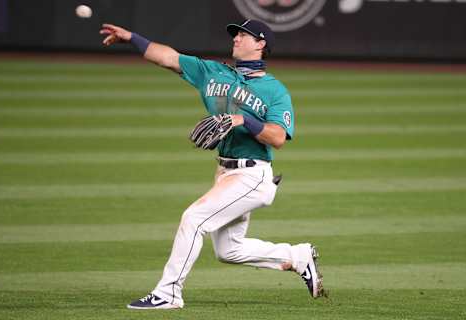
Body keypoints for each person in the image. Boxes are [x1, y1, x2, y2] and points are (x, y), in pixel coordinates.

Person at [100, 19, 324, 310]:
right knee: (229, 250)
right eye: (235, 34)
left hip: (252, 174)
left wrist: (244, 119)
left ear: (261, 43)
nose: (236, 39)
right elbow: (168, 58)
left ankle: (168, 293)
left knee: (193, 219)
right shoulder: (213, 72)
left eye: (244, 35)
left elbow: (278, 137)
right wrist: (132, 37)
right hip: (225, 173)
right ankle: (297, 256)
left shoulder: (275, 91)